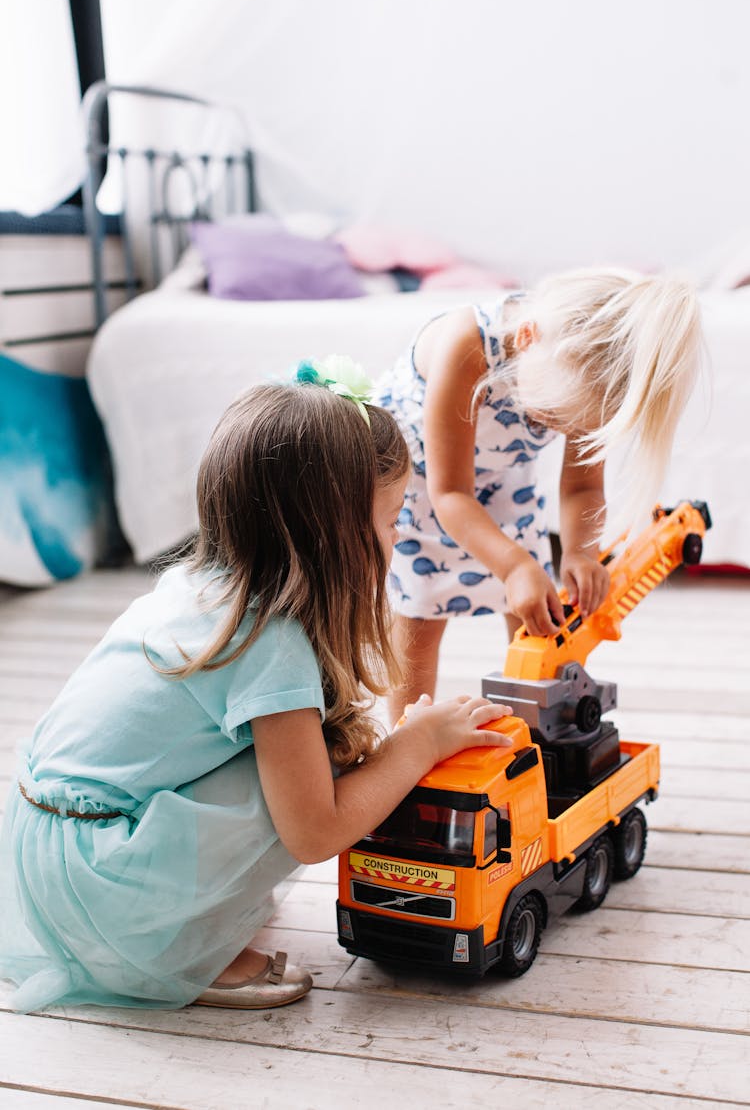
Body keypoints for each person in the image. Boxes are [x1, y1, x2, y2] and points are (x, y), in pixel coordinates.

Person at [0, 358, 513, 1015]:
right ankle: (176, 945)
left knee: (308, 754)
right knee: (314, 776)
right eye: (390, 521)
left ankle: (170, 917)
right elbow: (315, 832)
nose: (397, 538)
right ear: (335, 540)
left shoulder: (195, 588)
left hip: (45, 846)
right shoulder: (270, 645)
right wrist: (417, 743)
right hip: (96, 885)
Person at [374, 268, 703, 723]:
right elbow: (449, 492)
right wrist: (514, 565)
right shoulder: (465, 343)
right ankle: (404, 739)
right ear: (526, 338)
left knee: (537, 608)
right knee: (421, 617)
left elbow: (583, 486)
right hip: (423, 481)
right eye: (550, 415)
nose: (558, 430)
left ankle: (543, 732)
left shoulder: (585, 370)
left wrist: (580, 553)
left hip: (505, 477)